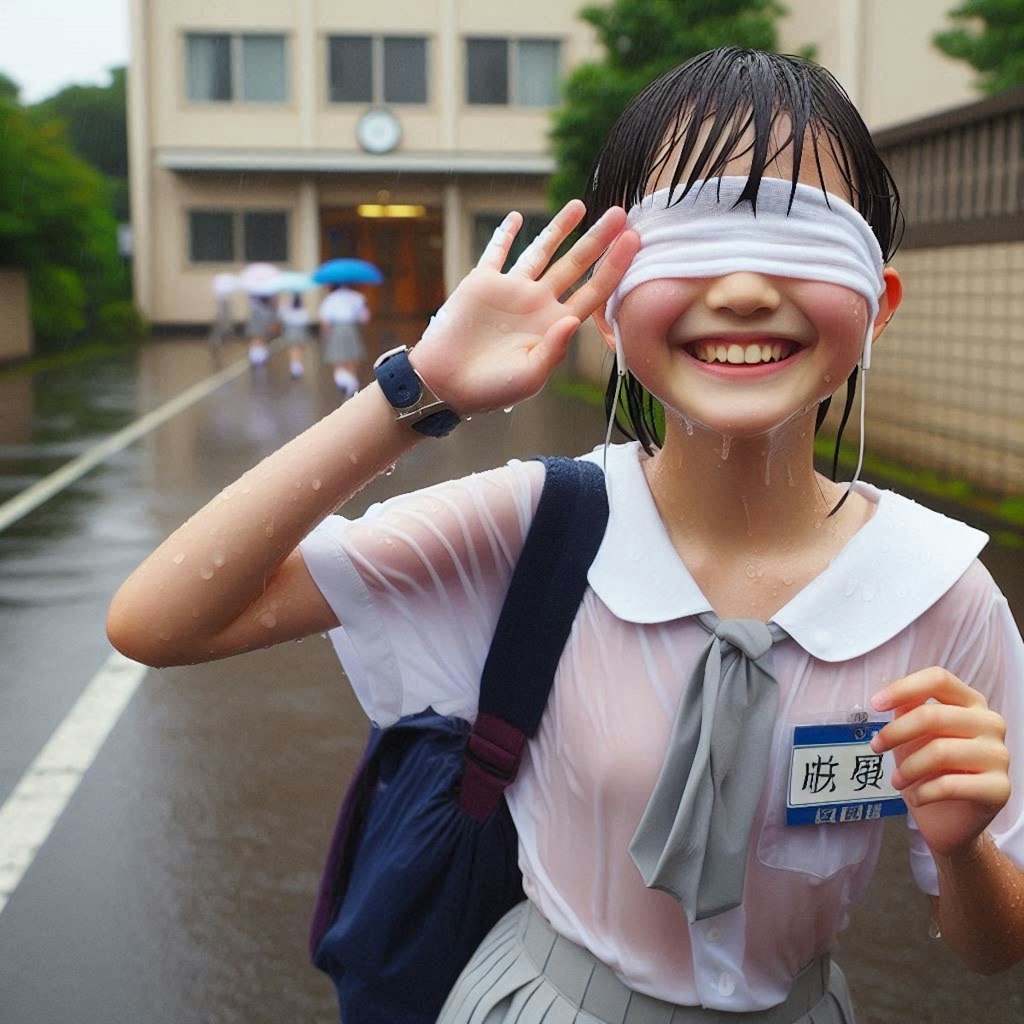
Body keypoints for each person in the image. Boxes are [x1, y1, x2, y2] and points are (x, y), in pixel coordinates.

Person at [106, 47, 1023, 1024]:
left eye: (804, 243)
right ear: (610, 308)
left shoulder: (939, 590)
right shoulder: (533, 525)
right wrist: (415, 392)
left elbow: (990, 947)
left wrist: (963, 845)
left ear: (877, 305)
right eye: (692, 240)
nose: (747, 291)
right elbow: (159, 620)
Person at [319, 282, 369, 397]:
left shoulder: (331, 298)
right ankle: (352, 381)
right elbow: (364, 318)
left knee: (338, 356)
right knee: (352, 355)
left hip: (336, 328)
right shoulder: (357, 297)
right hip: (351, 328)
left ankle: (343, 380)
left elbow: (324, 318)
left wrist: (326, 334)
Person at [279, 291, 311, 379]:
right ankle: (298, 366)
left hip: (291, 330)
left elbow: (283, 316)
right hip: (300, 330)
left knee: (293, 349)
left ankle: (294, 366)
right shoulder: (302, 308)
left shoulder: (287, 306)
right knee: (299, 349)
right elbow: (306, 319)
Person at [246, 291, 278, 366]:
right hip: (261, 311)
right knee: (259, 334)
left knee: (260, 334)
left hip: (261, 310)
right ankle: (257, 353)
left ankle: (257, 353)